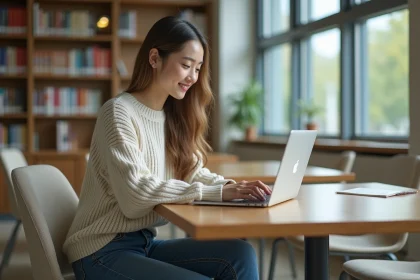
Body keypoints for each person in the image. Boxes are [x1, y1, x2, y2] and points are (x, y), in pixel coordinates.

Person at [63, 16, 272, 280]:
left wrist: (236, 189)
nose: (193, 77)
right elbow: (135, 195)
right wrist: (219, 192)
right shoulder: (118, 112)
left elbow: (193, 171)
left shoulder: (171, 116)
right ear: (154, 58)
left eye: (197, 69)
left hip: (144, 243)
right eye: (186, 65)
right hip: (101, 251)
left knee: (240, 253)